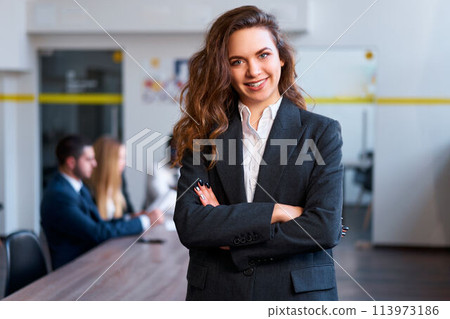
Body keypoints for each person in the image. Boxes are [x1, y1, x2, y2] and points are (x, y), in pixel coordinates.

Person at [173, 6, 345, 300]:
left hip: (296, 296)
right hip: (218, 293)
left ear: (281, 57)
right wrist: (278, 212)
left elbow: (324, 228)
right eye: (237, 61)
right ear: (223, 68)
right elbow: (191, 225)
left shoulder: (322, 133)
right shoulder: (203, 135)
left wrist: (228, 231)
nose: (253, 71)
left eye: (263, 55)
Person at [41, 135, 163, 270]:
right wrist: (144, 221)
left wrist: (129, 218)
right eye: (88, 160)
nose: (95, 164)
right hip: (73, 270)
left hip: (89, 261)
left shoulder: (76, 187)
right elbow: (96, 232)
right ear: (71, 163)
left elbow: (99, 223)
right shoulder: (60, 195)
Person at [87, 136, 164, 222]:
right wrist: (142, 221)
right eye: (120, 158)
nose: (124, 163)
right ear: (107, 161)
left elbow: (128, 213)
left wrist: (138, 217)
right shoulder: (86, 190)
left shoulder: (120, 180)